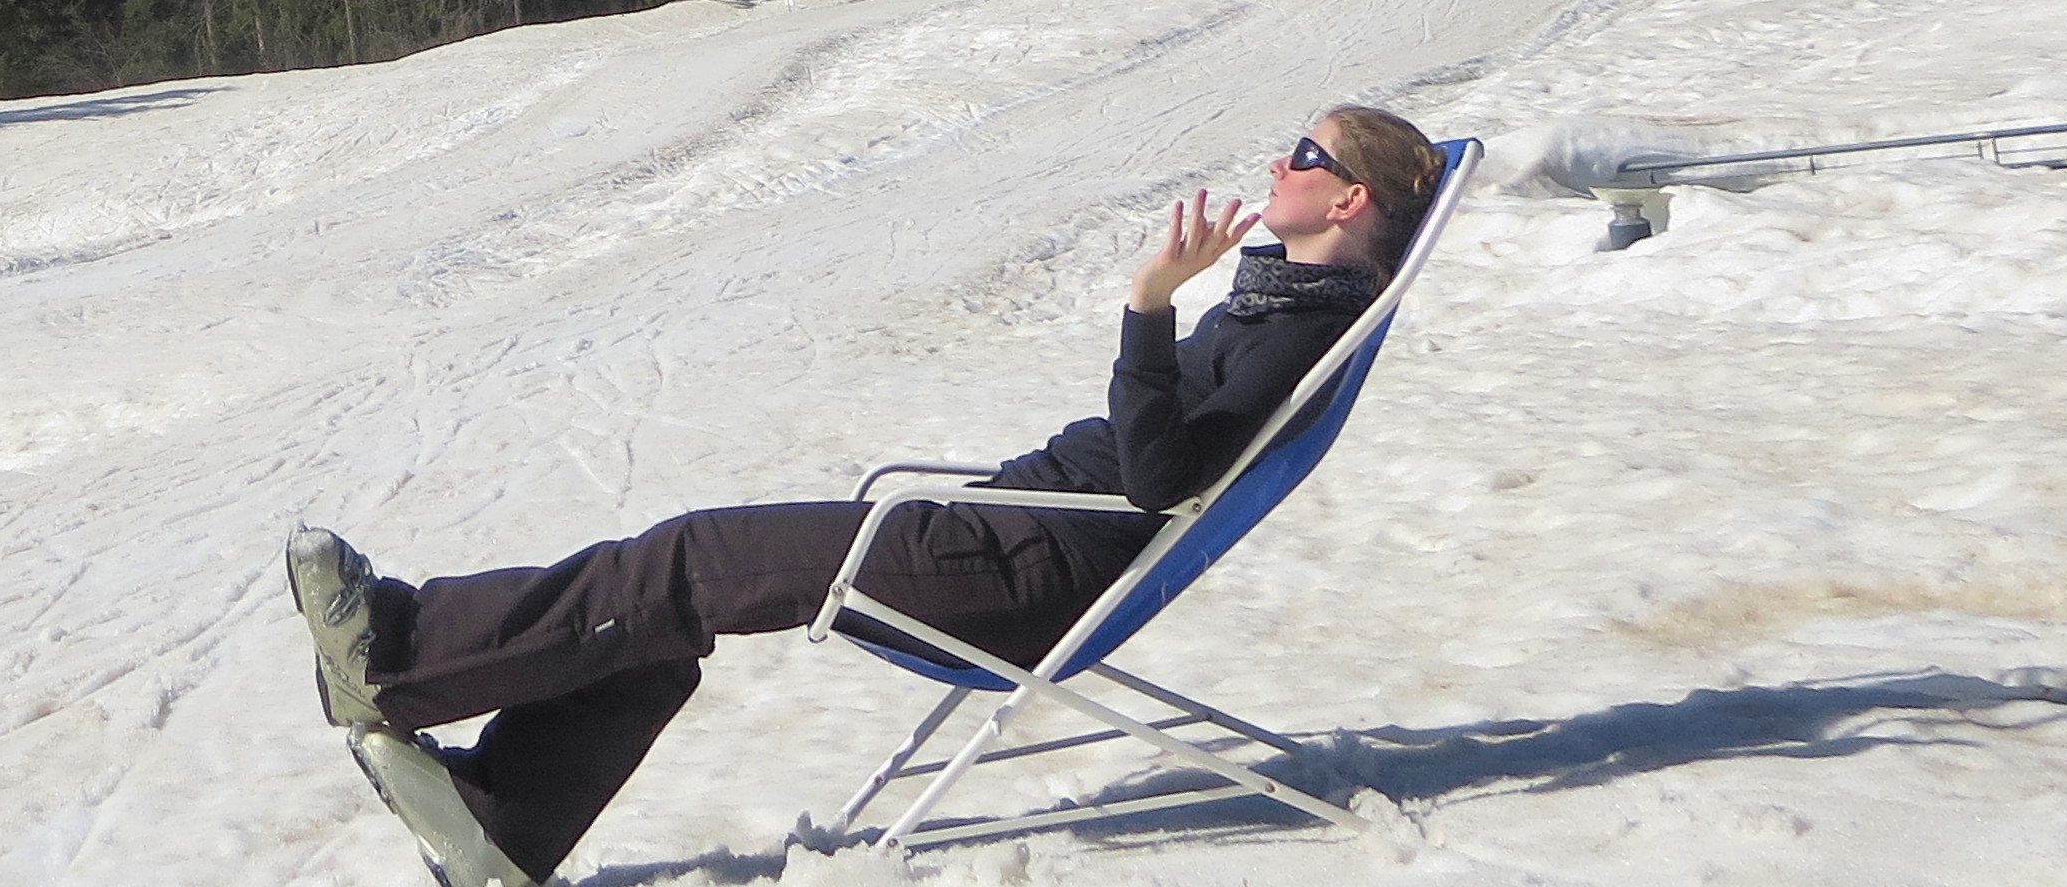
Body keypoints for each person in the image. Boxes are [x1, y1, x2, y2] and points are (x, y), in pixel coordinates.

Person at [284, 104, 1445, 887]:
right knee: (676, 601)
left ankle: (399, 656)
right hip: (1006, 540)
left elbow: (1156, 481)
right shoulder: (1276, 312)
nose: (1278, 165)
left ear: (1348, 203)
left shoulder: (1298, 334)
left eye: (1305, 154)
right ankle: (507, 824)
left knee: (687, 561)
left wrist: (1146, 305)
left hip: (1021, 576)